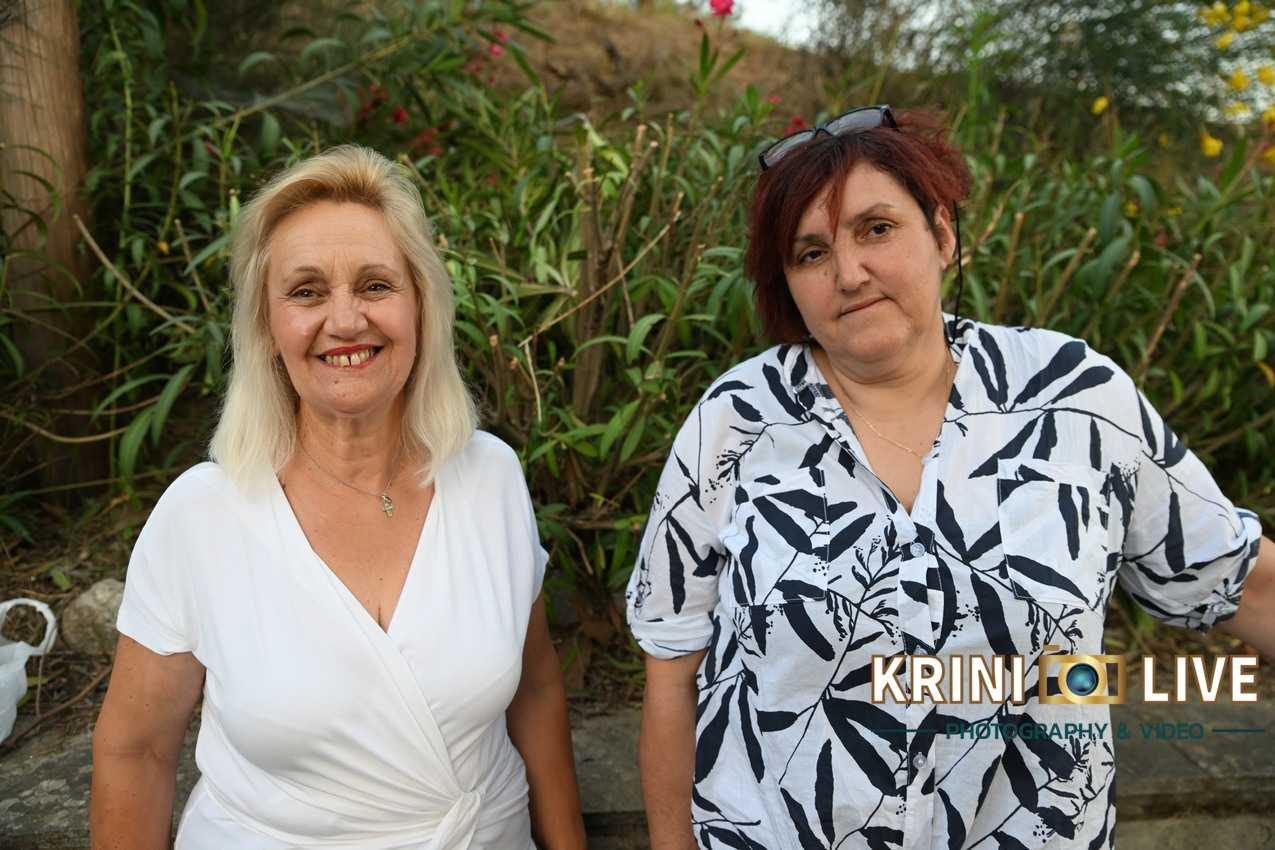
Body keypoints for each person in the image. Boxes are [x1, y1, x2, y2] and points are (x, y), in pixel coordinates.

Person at [626, 106, 1274, 850]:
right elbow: (670, 670)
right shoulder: (735, 422)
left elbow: (1241, 578)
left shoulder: (1073, 397)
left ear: (941, 233)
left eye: (876, 228)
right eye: (810, 253)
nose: (848, 274)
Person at [90, 145, 587, 850]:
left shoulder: (490, 478)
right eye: (306, 292)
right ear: (266, 328)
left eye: (376, 285)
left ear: (421, 306)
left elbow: (535, 691)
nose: (346, 320)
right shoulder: (200, 517)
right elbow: (135, 752)